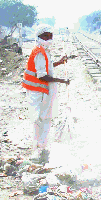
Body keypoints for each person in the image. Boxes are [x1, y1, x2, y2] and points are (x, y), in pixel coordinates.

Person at [21, 26, 73, 163]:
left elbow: (47, 67)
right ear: (39, 37)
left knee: (44, 118)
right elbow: (42, 75)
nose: (49, 38)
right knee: (40, 118)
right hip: (36, 90)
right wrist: (62, 81)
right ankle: (39, 146)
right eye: (46, 36)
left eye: (50, 36)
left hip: (41, 90)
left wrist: (60, 62)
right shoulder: (39, 52)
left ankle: (42, 146)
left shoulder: (44, 51)